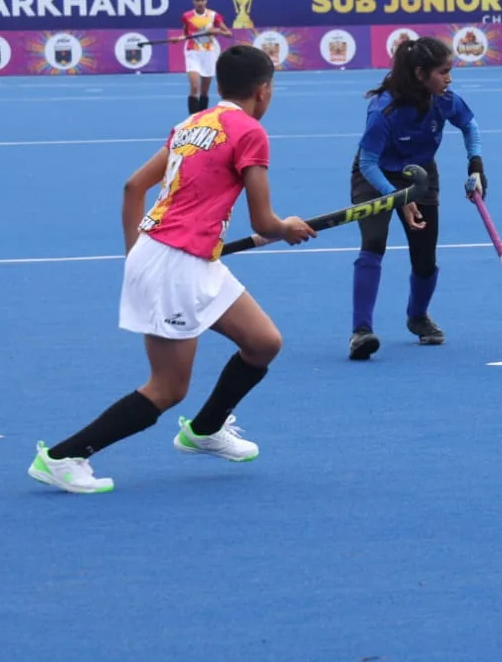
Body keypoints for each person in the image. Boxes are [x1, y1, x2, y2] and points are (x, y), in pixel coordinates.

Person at [28, 46, 315, 494]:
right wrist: (286, 228)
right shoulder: (251, 132)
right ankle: (63, 458)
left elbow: (133, 187)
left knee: (262, 343)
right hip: (176, 263)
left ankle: (204, 430)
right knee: (167, 388)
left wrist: (135, 255)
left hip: (182, 256)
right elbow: (264, 223)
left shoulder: (191, 124)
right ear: (264, 91)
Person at [349, 36, 486, 358]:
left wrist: (475, 164)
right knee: (373, 243)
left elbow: (469, 125)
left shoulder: (444, 99)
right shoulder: (384, 110)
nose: (449, 78)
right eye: (443, 71)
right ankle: (361, 331)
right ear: (420, 73)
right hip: (375, 176)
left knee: (424, 258)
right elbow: (368, 163)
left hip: (420, 174)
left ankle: (418, 317)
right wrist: (397, 197)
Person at [181, 0, 233, 116]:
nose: (200, 3)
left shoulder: (214, 16)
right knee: (194, 87)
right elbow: (185, 34)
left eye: (202, 0)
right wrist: (179, 38)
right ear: (193, 1)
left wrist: (218, 31)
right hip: (193, 51)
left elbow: (229, 34)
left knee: (204, 91)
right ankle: (192, 120)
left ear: (206, 0)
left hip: (209, 53)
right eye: (197, 0)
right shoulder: (187, 16)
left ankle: (202, 118)